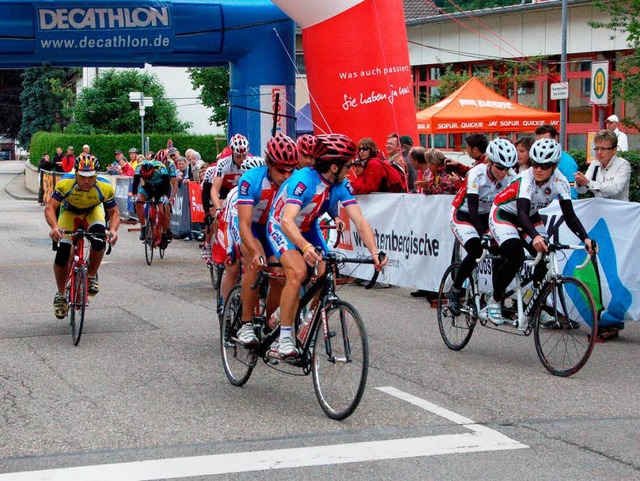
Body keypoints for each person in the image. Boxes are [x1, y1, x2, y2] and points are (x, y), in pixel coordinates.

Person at [267, 133, 386, 358]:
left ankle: (307, 319)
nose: (351, 169)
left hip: (308, 226)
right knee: (298, 272)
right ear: (334, 167)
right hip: (282, 226)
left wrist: (374, 251)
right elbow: (286, 220)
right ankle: (282, 340)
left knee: (327, 269)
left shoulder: (340, 184)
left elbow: (360, 221)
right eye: (348, 165)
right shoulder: (304, 180)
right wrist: (304, 247)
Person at [487, 138, 595, 326]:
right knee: (515, 255)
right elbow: (520, 213)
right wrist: (535, 236)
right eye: (535, 164)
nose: (538, 169)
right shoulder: (526, 178)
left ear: (554, 166)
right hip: (504, 214)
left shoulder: (560, 180)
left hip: (529, 216)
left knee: (546, 255)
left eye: (544, 166)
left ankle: (534, 302)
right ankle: (494, 301)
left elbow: (570, 216)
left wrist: (585, 238)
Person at [235, 134, 298, 346]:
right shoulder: (251, 180)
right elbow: (244, 225)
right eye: (282, 170)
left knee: (280, 275)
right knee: (256, 264)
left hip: (274, 229)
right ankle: (246, 324)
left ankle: (271, 327)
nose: (287, 175)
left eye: (292, 169)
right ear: (269, 163)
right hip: (252, 228)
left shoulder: (294, 180)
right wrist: (255, 252)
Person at [44, 154, 120, 319]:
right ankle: (62, 295)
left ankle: (91, 275)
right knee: (64, 252)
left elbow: (114, 212)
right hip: (69, 213)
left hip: (93, 213)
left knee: (100, 240)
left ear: (96, 175)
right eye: (82, 177)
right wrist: (54, 227)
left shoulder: (105, 186)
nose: (87, 181)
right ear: (76, 173)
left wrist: (113, 230)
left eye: (91, 177)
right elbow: (50, 207)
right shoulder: (65, 182)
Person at [447, 138, 517, 314]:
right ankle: (455, 291)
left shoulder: (510, 177)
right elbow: (472, 207)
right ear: (490, 162)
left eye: (507, 168)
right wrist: (482, 233)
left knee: (500, 252)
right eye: (500, 167)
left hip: (486, 215)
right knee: (477, 249)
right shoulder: (476, 173)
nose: (504, 172)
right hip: (463, 214)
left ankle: (495, 300)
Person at [575, 129, 631, 201]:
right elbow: (582, 191)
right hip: (599, 209)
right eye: (597, 148)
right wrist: (580, 182)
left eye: (603, 149)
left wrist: (588, 183)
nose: (599, 152)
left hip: (618, 209)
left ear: (614, 150)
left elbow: (616, 189)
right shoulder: (594, 164)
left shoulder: (623, 164)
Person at [131, 159, 171, 247]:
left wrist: (165, 196)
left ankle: (164, 234)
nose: (148, 178)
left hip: (161, 188)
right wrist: (134, 195)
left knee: (162, 211)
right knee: (139, 201)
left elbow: (167, 184)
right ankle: (143, 227)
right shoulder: (139, 167)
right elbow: (135, 183)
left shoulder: (161, 168)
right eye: (146, 178)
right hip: (147, 187)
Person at [535, 124, 578, 199]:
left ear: (556, 138)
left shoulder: (567, 162)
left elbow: (571, 195)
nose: (542, 146)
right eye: (538, 143)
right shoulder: (536, 160)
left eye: (546, 141)